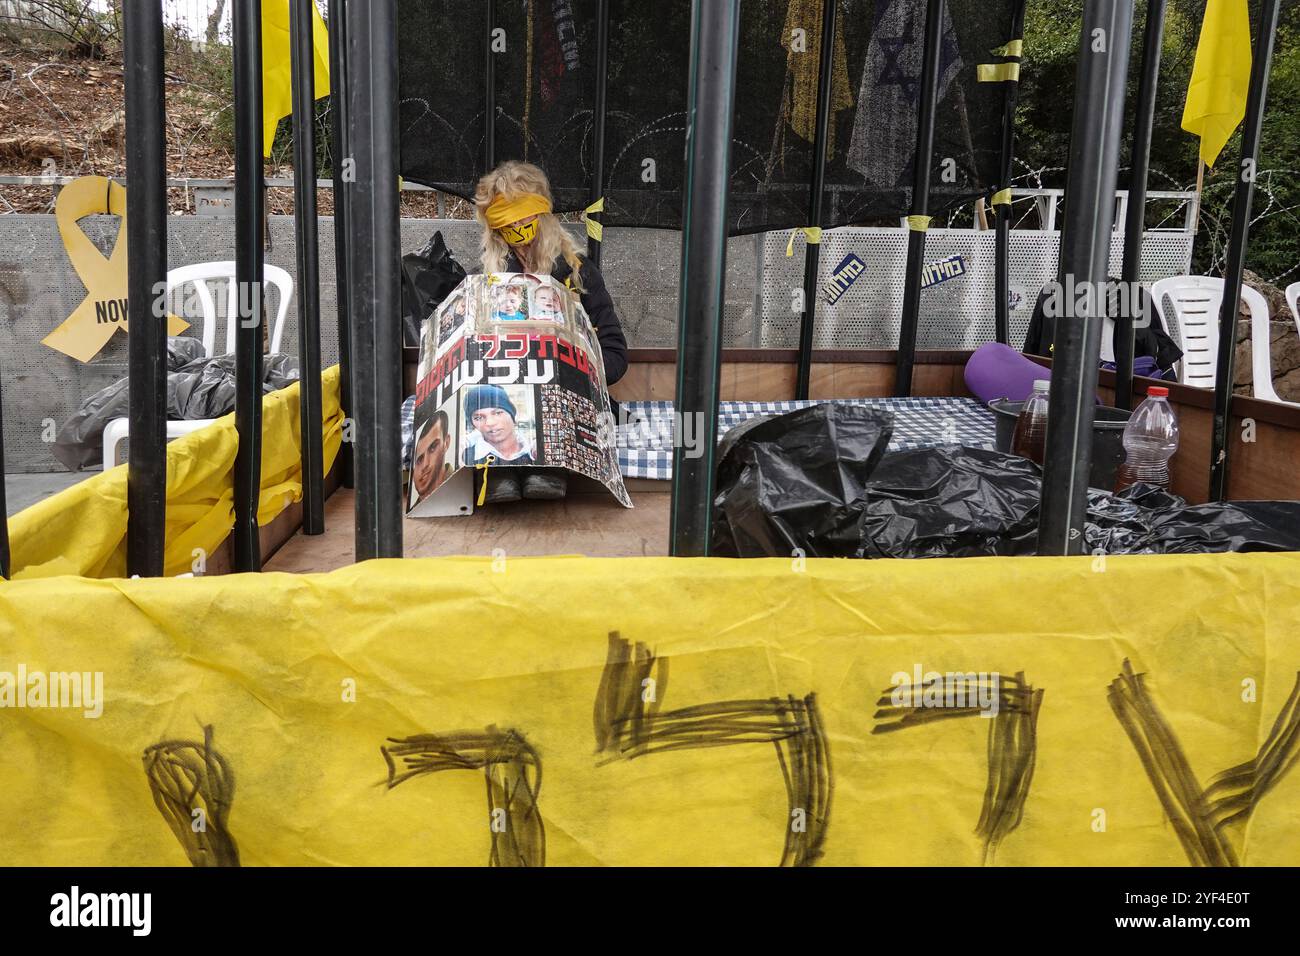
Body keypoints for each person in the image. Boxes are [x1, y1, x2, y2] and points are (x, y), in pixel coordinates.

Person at [474, 160, 629, 502]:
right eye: (505, 220)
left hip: (567, 397)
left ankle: (547, 467)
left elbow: (616, 354)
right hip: (509, 389)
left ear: (542, 214)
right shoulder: (482, 280)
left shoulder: (578, 273)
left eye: (524, 215)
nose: (516, 226)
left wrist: (577, 363)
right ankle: (505, 467)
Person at [463, 384, 536, 467]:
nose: (490, 423)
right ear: (473, 424)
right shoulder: (465, 457)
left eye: (498, 413)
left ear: (513, 415)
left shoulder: (534, 452)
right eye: (479, 418)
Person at [411, 409, 454, 504]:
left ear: (446, 443)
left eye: (433, 448)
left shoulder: (459, 487)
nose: (425, 464)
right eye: (419, 459)